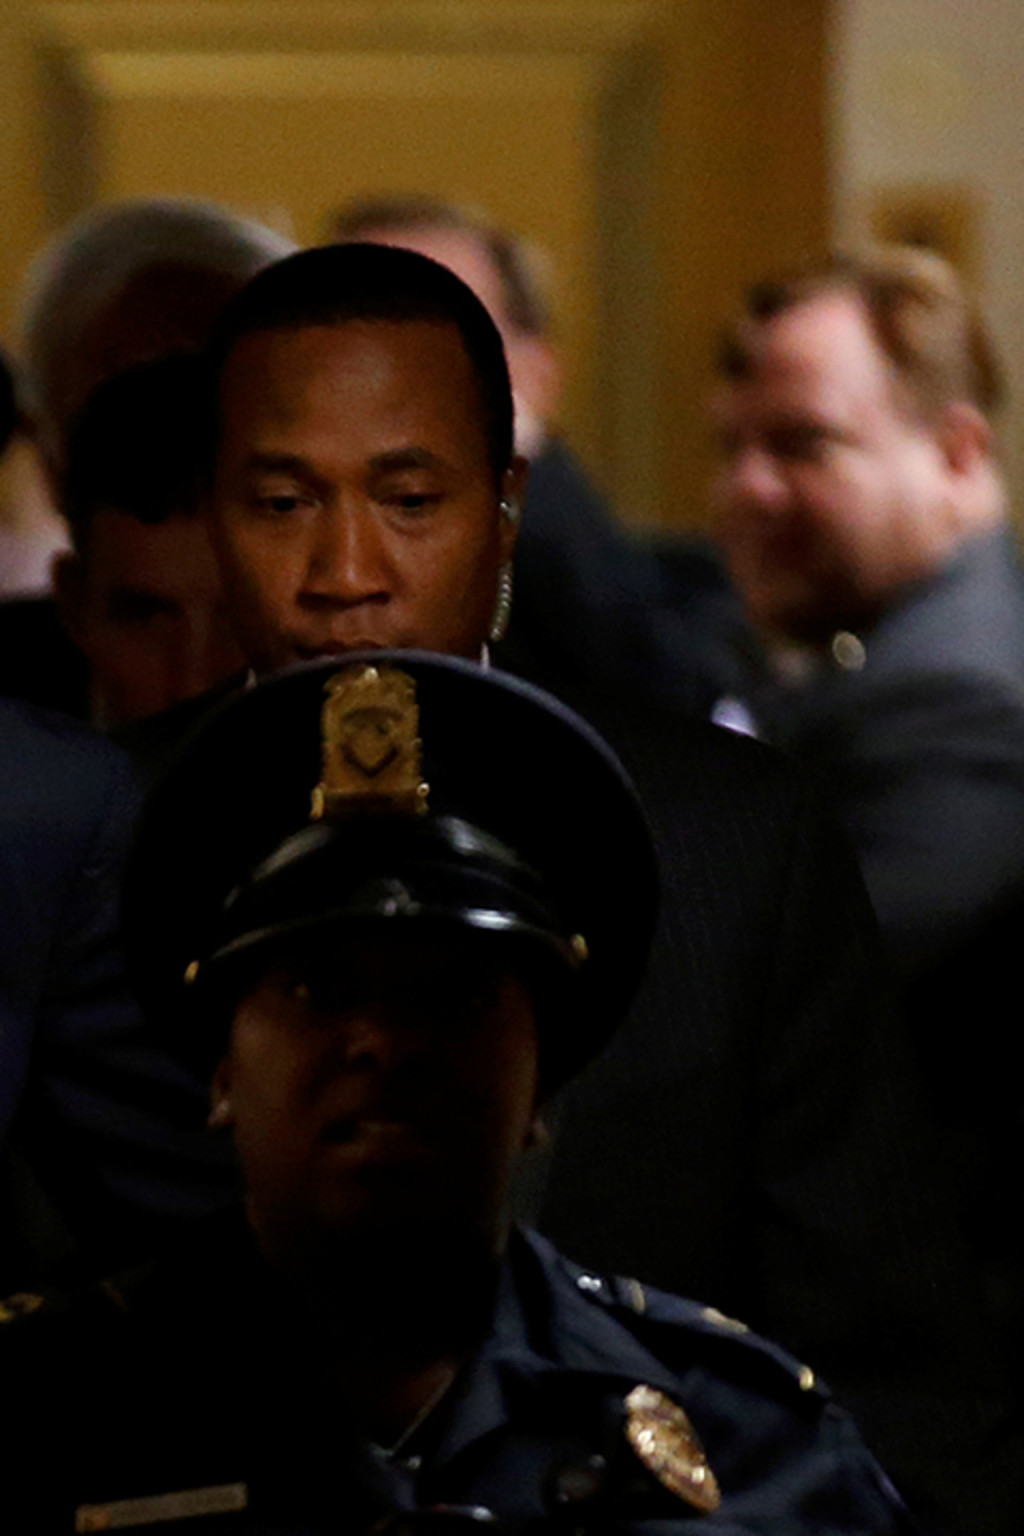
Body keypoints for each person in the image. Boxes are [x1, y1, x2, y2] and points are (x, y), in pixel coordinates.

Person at [126, 240, 1012, 1535]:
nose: (346, 569)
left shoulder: (730, 844)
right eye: (281, 503)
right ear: (214, 515)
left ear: (505, 510)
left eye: (410, 500)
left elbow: (905, 1390)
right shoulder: (86, 836)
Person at [0, 653, 918, 1533]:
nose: (383, 1043)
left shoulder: (748, 1447)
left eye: (452, 995)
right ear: (222, 1070)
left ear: (544, 1080)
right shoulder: (43, 1421)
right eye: (317, 989)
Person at [711, 247, 1024, 1437]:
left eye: (803, 446)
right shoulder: (871, 654)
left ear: (955, 455)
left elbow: (774, 1014)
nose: (747, 490)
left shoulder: (962, 702)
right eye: (732, 446)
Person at [331, 195, 737, 712]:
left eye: (436, 334)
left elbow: (664, 701)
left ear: (538, 373)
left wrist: (512, 455)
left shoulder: (682, 594)